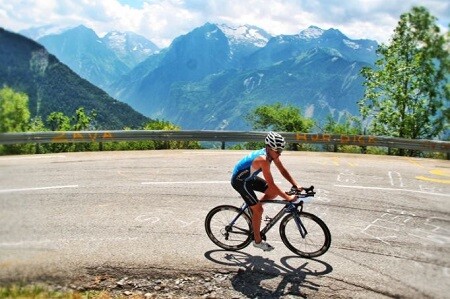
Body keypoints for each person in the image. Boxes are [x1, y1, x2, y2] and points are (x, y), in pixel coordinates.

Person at [231, 131, 302, 251]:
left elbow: (282, 170)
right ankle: (257, 241)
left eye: (281, 150)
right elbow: (271, 183)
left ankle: (251, 208)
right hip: (240, 181)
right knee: (259, 209)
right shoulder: (263, 159)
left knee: (272, 193)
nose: (279, 153)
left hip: (249, 178)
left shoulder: (271, 154)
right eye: (277, 150)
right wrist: (287, 197)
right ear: (269, 148)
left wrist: (295, 184)